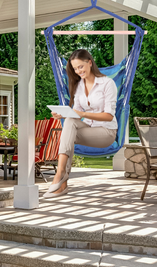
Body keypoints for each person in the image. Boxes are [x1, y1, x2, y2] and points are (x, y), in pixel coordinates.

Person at [44, 49, 118, 199]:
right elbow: (75, 113)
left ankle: (60, 178)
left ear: (89, 63)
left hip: (106, 132)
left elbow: (109, 116)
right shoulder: (78, 86)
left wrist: (82, 114)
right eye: (75, 68)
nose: (78, 71)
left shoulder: (107, 83)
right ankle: (61, 176)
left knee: (69, 132)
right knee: (69, 122)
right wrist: (62, 114)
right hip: (88, 129)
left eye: (81, 67)